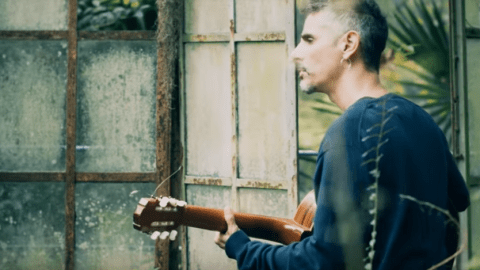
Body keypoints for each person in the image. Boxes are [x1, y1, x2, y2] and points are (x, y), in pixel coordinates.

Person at [213, 0, 470, 269]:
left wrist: (243, 248)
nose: (295, 53)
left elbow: (323, 261)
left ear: (348, 45)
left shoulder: (351, 130)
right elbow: (456, 208)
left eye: (309, 39)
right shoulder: (422, 121)